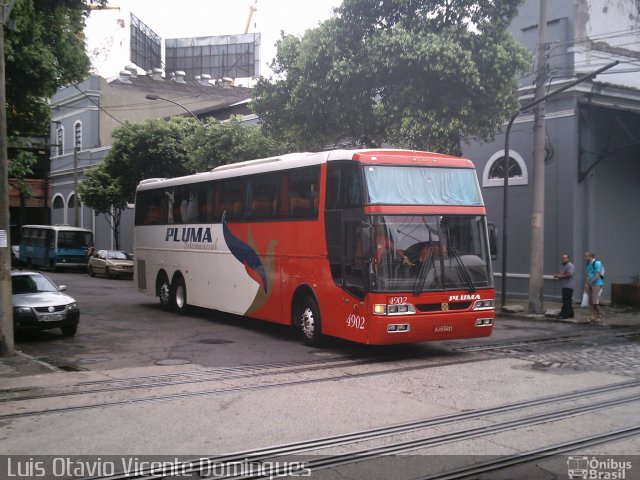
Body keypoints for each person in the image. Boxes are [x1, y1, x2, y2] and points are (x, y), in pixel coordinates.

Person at [584, 251, 603, 323]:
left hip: (597, 284)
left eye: (586, 256)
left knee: (596, 301)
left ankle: (599, 315)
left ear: (590, 256)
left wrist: (589, 283)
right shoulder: (587, 263)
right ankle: (591, 316)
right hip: (589, 284)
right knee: (590, 301)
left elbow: (597, 275)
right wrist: (586, 284)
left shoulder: (597, 263)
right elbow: (588, 275)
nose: (585, 258)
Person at [553, 254, 575, 319]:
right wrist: (557, 275)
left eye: (564, 258)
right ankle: (571, 313)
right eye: (562, 258)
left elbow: (569, 274)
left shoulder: (570, 266)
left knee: (567, 300)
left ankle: (565, 314)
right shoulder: (562, 266)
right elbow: (562, 274)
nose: (563, 259)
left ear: (568, 259)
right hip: (564, 286)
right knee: (566, 300)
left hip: (569, 285)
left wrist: (559, 276)